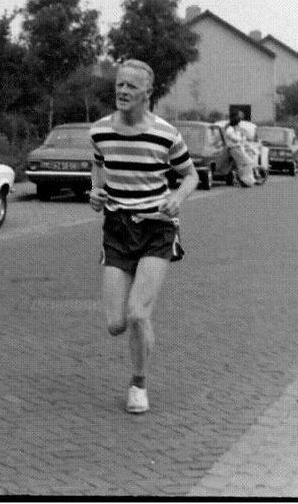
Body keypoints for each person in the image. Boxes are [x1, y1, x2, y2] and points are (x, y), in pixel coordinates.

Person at [88, 59, 199, 414]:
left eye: (131, 87)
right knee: (116, 324)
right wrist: (95, 191)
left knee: (138, 314)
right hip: (117, 228)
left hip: (156, 226)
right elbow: (97, 164)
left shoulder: (166, 134)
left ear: (147, 94)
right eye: (119, 85)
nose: (122, 91)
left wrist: (176, 199)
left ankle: (138, 385)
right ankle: (138, 329)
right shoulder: (100, 131)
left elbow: (190, 175)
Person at [223, 112, 256, 187]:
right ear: (235, 123)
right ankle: (245, 180)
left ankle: (244, 179)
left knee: (242, 164)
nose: (239, 125)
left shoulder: (233, 129)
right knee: (245, 162)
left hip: (236, 148)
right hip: (234, 148)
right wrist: (241, 138)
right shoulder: (230, 130)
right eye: (238, 123)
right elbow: (234, 138)